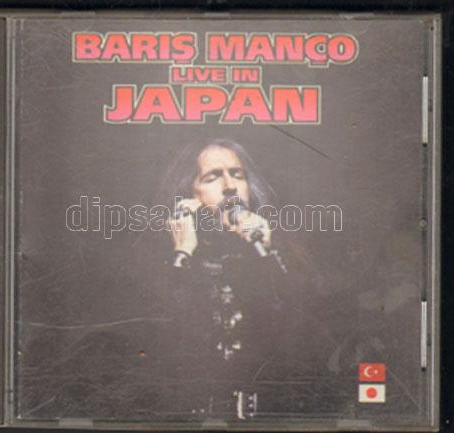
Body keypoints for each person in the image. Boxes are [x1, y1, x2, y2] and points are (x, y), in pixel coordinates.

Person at [127, 138, 319, 421]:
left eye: (237, 175)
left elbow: (300, 339)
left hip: (265, 415)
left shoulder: (279, 252)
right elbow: (154, 341)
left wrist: (268, 255)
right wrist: (182, 253)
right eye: (213, 177)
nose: (230, 186)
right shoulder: (159, 259)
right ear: (188, 196)